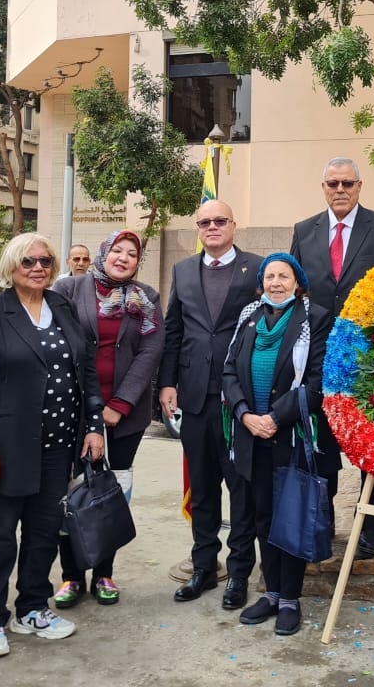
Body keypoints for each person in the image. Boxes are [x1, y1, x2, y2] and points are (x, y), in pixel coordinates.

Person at [0, 233, 105, 659]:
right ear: (11, 266)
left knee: (43, 532)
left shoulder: (62, 307)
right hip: (7, 448)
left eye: (45, 261)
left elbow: (85, 372)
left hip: (59, 447)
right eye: (28, 261)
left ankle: (33, 608)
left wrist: (94, 426)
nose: (38, 268)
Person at [289, 157, 374, 560]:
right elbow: (296, 293)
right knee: (322, 446)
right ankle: (323, 521)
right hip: (318, 359)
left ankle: (370, 527)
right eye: (333, 183)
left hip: (369, 360)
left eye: (347, 183)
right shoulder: (304, 231)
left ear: (359, 186)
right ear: (323, 187)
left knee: (372, 446)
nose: (340, 190)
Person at [159, 200, 262, 609]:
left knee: (241, 489)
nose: (212, 227)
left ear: (234, 225)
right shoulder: (183, 270)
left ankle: (239, 572)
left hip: (240, 400)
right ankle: (203, 567)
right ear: (198, 228)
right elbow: (173, 330)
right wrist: (166, 383)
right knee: (201, 489)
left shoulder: (257, 268)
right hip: (196, 397)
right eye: (205, 222)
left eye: (220, 221)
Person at [51, 230, 162, 608]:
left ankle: (103, 573)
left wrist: (120, 403)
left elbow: (150, 352)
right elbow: (57, 343)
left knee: (109, 494)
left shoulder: (146, 298)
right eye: (118, 250)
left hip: (123, 417)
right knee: (70, 492)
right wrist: (89, 410)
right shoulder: (69, 289)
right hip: (72, 409)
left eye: (132, 253)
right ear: (104, 253)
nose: (124, 258)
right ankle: (70, 576)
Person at [222, 254, 331, 637]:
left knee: (290, 517)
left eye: (284, 276)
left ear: (297, 282)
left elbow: (316, 381)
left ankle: (289, 599)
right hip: (251, 435)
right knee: (263, 517)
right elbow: (229, 370)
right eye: (269, 276)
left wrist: (274, 418)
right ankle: (270, 593)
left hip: (290, 435)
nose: (276, 282)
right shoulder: (249, 316)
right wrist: (244, 414)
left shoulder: (314, 318)